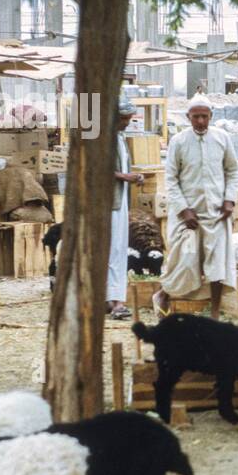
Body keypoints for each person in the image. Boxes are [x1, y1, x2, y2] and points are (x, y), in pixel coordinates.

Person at [154, 95, 238, 317]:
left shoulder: (222, 138)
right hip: (188, 217)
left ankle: (214, 312)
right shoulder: (179, 141)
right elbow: (171, 179)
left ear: (211, 116)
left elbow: (233, 171)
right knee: (185, 261)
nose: (201, 121)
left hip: (217, 214)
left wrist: (230, 200)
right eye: (196, 117)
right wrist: (184, 210)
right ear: (188, 117)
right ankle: (163, 294)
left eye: (204, 116)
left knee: (217, 264)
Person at [108, 97, 144, 320]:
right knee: (114, 251)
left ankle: (113, 298)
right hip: (110, 202)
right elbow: (96, 167)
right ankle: (116, 302)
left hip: (119, 201)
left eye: (129, 119)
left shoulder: (119, 138)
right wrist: (125, 176)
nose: (127, 123)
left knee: (118, 250)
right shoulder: (103, 138)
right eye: (124, 119)